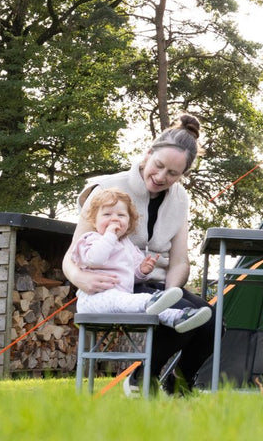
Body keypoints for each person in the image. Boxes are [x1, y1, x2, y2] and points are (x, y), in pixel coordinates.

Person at [63, 114, 213, 393]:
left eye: (173, 173)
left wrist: (171, 294)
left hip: (154, 283)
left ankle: (179, 384)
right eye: (158, 166)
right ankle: (142, 379)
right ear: (148, 153)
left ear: (183, 175)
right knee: (186, 314)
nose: (161, 177)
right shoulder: (108, 188)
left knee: (212, 320)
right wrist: (80, 279)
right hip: (117, 284)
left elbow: (180, 260)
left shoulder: (181, 200)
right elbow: (73, 253)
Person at [72, 188, 212, 333]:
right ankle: (153, 300)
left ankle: (178, 317)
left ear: (129, 222)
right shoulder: (92, 239)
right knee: (139, 301)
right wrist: (109, 236)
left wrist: (141, 271)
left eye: (121, 215)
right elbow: (95, 260)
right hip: (95, 300)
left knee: (151, 309)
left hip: (122, 301)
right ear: (94, 221)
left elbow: (128, 277)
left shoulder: (127, 246)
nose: (114, 219)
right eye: (107, 214)